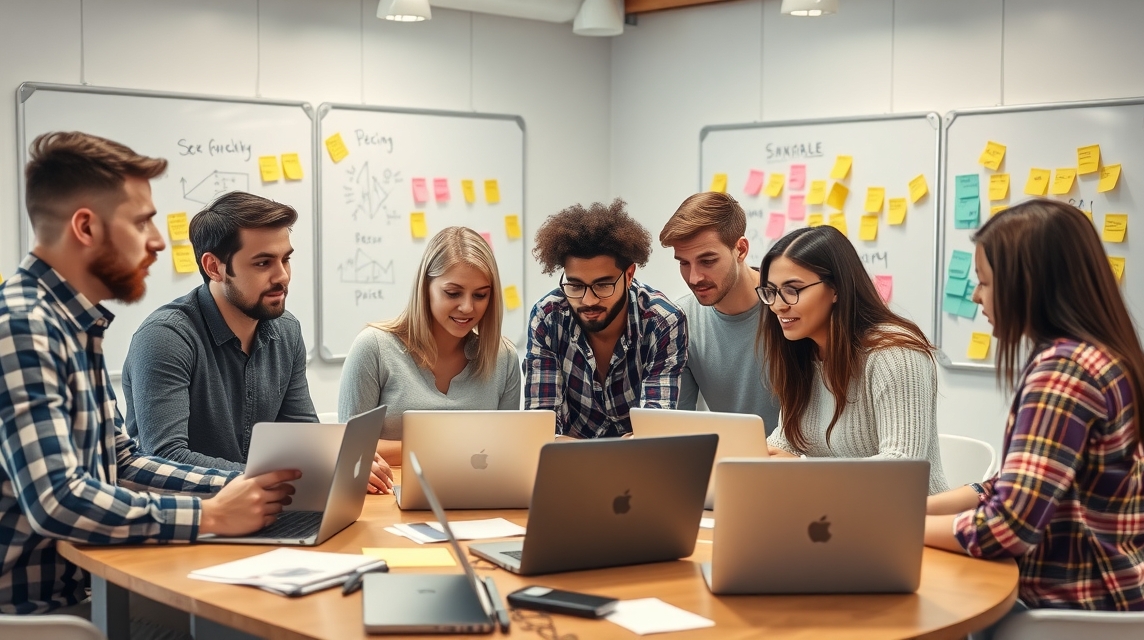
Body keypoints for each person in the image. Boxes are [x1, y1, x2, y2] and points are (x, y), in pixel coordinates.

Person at [0, 131, 297, 617]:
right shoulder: (23, 327)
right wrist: (208, 515)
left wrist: (241, 486)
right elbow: (57, 500)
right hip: (37, 615)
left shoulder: (73, 324)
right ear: (86, 227)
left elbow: (123, 461)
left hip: (85, 592)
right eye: (142, 222)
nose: (158, 241)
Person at [924, 199, 1144, 613]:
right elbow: (1013, 485)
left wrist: (893, 528)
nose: (975, 296)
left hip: (1071, 606)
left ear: (1029, 282)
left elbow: (1006, 530)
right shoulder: (1099, 356)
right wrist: (911, 508)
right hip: (1111, 590)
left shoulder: (1064, 372)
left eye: (985, 282)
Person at [760, 225, 948, 494]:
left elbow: (901, 468)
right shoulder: (803, 353)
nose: (778, 305)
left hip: (912, 521)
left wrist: (803, 472)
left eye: (793, 289)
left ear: (836, 288)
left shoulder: (896, 353)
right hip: (829, 518)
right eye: (770, 291)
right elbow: (785, 445)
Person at [338, 226, 521, 466]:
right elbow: (349, 448)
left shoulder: (504, 358)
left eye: (480, 295)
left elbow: (506, 452)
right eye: (453, 293)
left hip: (474, 496)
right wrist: (444, 448)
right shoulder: (374, 348)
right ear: (426, 289)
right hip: (386, 497)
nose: (467, 307)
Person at [524, 198, 687, 438]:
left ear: (629, 274)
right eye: (576, 285)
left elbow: (654, 431)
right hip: (567, 467)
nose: (588, 301)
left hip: (638, 467)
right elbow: (542, 427)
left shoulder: (662, 322)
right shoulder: (548, 318)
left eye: (602, 285)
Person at [659, 192, 780, 432]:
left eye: (708, 261)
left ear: (741, 250)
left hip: (799, 461)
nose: (694, 278)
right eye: (684, 262)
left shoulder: (788, 305)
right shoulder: (679, 320)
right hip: (728, 462)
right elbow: (679, 426)